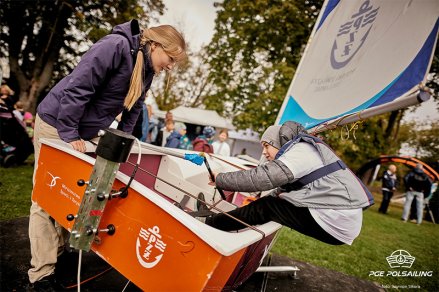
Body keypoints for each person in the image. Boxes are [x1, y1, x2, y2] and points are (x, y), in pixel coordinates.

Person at [28, 19, 186, 289]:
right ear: (156, 45)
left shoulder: (146, 68)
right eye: (171, 58)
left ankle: (57, 251)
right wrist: (70, 134)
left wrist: (124, 140)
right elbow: (78, 88)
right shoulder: (114, 46)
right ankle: (41, 273)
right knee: (46, 195)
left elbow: (134, 107)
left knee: (73, 192)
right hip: (57, 123)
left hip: (83, 128)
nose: (171, 66)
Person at [203, 121, 374, 246]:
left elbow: (261, 179)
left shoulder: (301, 151)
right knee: (269, 204)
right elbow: (280, 189)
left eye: (266, 145)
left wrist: (220, 179)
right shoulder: (305, 149)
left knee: (266, 208)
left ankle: (208, 225)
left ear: (279, 142)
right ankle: (220, 224)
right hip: (340, 220)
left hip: (336, 222)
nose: (264, 152)